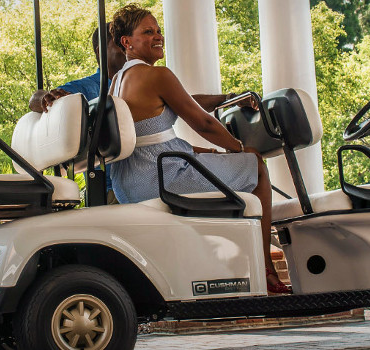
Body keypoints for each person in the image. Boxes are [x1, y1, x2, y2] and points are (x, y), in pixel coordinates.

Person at [107, 4, 289, 293]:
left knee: (218, 159)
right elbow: (203, 123)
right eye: (147, 32)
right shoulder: (157, 75)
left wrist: (227, 99)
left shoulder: (119, 81)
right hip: (160, 177)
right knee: (256, 168)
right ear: (126, 42)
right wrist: (240, 148)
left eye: (158, 30)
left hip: (131, 181)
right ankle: (265, 267)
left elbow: (181, 101)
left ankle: (237, 263)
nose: (158, 36)